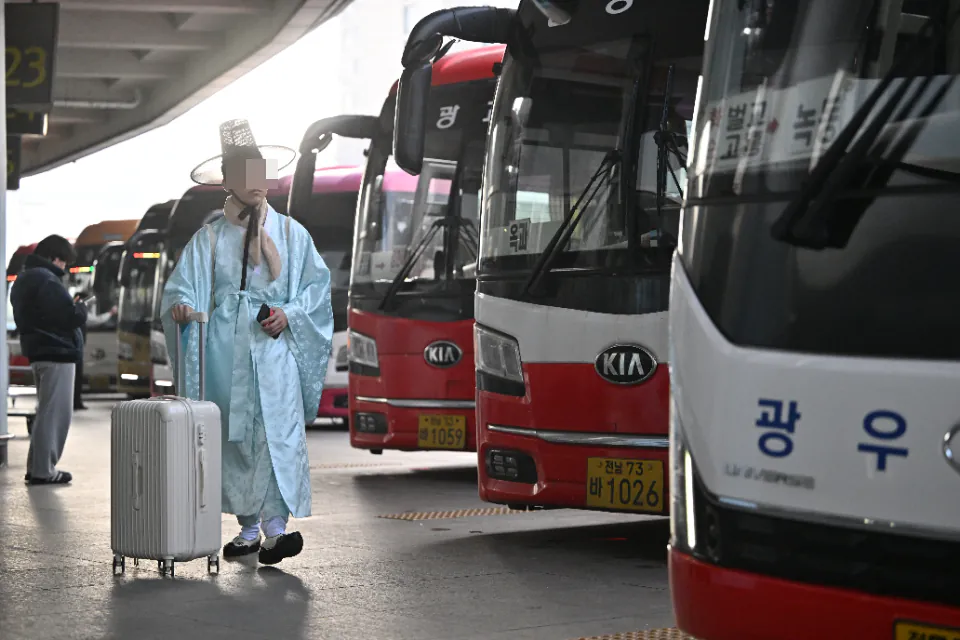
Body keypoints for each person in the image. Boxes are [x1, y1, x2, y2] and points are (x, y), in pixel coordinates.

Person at [160, 119, 333, 566]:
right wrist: (182, 307)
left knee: (277, 434)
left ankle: (275, 530)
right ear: (231, 181)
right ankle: (249, 529)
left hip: (274, 354)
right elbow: (184, 288)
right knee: (235, 438)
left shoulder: (293, 235)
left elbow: (315, 291)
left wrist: (289, 314)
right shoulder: (211, 238)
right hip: (225, 353)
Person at [10, 234, 87, 485]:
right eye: (64, 261)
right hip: (58, 353)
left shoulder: (24, 279)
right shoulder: (45, 280)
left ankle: (37, 467)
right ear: (55, 257)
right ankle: (45, 471)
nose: (64, 267)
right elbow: (67, 317)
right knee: (54, 415)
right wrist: (80, 308)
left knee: (45, 412)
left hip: (39, 352)